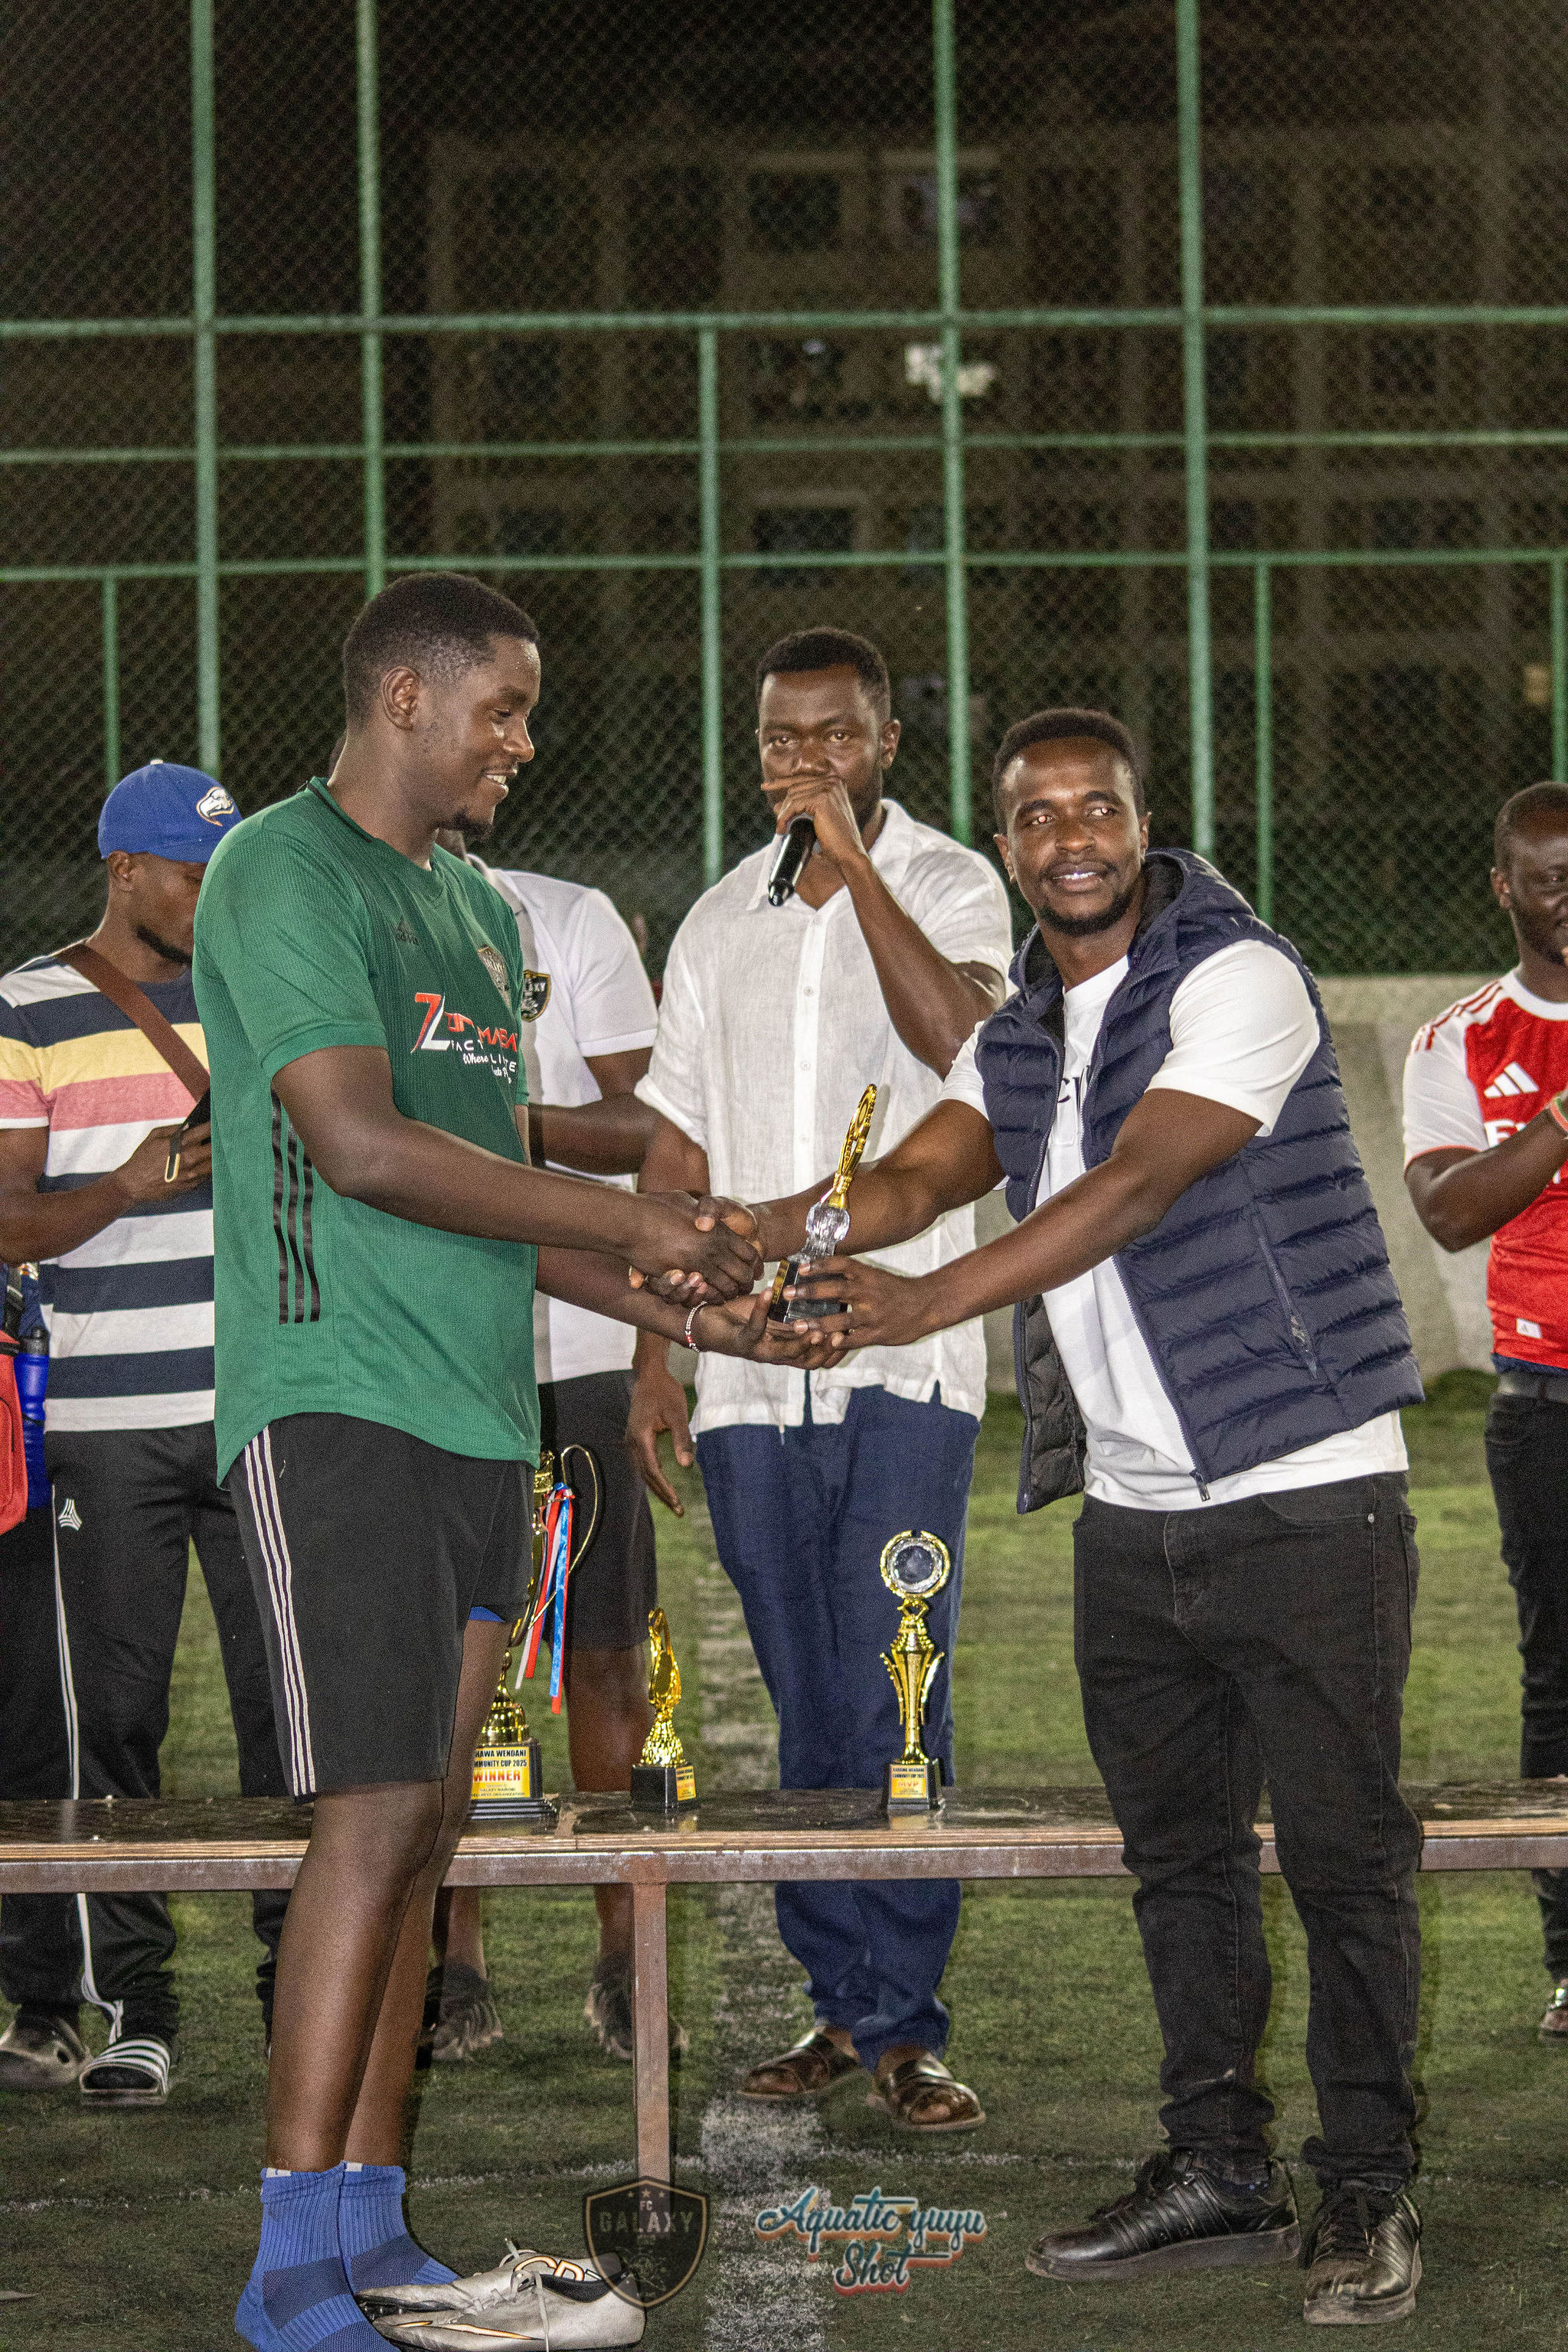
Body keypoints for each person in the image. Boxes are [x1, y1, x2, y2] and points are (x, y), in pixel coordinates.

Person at [754, 707, 1427, 2324]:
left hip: (1305, 1493)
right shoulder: (1026, 1027)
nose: (1073, 837)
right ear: (1006, 846)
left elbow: (1131, 1186)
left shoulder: (1235, 977)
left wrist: (923, 1307)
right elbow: (918, 1177)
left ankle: (1366, 2187)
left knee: (1343, 1862)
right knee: (1178, 1864)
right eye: (1040, 816)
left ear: (1141, 823)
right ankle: (1218, 2166)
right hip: (1130, 1514)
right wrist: (749, 1232)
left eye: (1098, 809)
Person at [192, 570, 773, 2352]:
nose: (523, 742)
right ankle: (294, 2276)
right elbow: (361, 1146)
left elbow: (486, 1180)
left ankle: (373, 2241)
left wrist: (689, 1293)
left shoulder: (465, 902)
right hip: (332, 1398)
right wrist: (640, 1217)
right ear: (405, 701)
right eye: (502, 710)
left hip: (475, 1413)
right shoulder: (280, 868)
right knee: (368, 1819)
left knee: (425, 1831)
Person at [628, 624, 1012, 2134]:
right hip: (743, 1376)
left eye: (836, 736)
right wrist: (657, 1353)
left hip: (899, 1356)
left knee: (897, 1679)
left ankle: (909, 2022)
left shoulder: (949, 883)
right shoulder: (717, 918)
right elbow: (674, 1143)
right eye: (783, 740)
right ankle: (838, 2006)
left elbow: (970, 1044)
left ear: (888, 742)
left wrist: (855, 867)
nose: (807, 762)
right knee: (800, 1691)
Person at [0, 763, 289, 2106]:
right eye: (193, 876)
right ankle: (138, 2005)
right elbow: (7, 1221)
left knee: (287, 1713)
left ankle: (302, 1988)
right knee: (110, 1719)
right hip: (104, 1426)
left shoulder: (256, 991)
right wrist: (127, 1182)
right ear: (125, 870)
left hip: (265, 1415)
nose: (214, 899)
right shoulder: (27, 1008)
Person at [426, 838, 671, 2066]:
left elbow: (648, 1123)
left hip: (575, 1346)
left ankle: (624, 1946)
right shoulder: (343, 916)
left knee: (604, 1651)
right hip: (425, 1348)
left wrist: (508, 1124)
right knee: (441, 1667)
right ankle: (451, 1957)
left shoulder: (566, 918)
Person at [1403, 781, 1568, 2038]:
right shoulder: (1458, 1040)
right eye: (1549, 880)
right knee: (1561, 1677)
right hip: (1546, 1398)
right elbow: (1452, 1211)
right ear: (1506, 888)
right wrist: (1560, 1117)